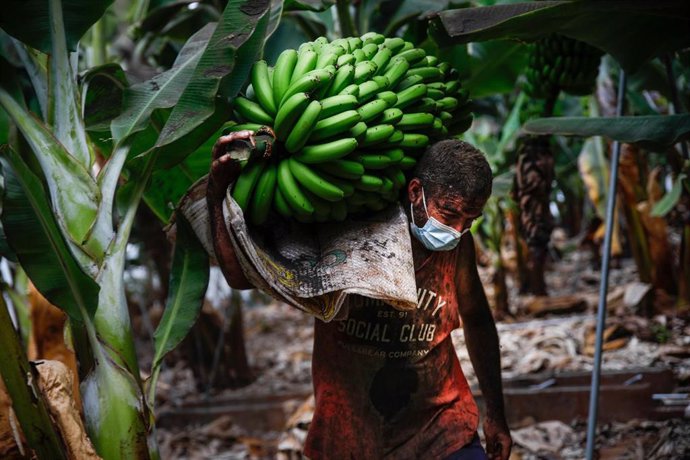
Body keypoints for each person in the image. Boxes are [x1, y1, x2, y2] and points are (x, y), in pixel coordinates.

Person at [207, 133, 512, 460]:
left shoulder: (458, 247)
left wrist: (495, 413)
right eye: (449, 214)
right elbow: (240, 278)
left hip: (443, 429)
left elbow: (477, 319)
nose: (457, 230)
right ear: (415, 191)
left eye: (470, 221)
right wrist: (216, 195)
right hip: (350, 434)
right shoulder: (344, 232)